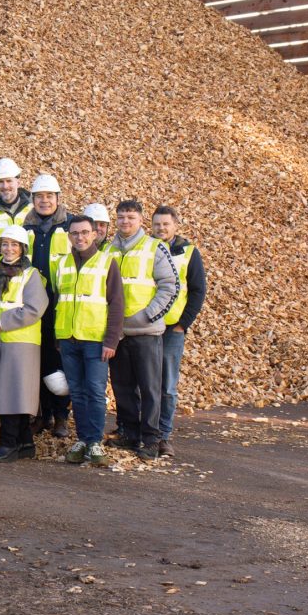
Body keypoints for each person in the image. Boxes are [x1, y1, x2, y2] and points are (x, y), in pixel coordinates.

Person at [105, 200, 178, 459]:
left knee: (149, 389)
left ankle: (150, 438)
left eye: (131, 217)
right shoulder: (107, 249)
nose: (126, 222)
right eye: (122, 217)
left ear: (140, 220)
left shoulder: (154, 247)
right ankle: (130, 434)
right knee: (123, 388)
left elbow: (170, 286)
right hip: (118, 333)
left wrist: (148, 315)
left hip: (146, 333)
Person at [53, 214, 124, 467]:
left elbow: (116, 304)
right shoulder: (62, 264)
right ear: (69, 237)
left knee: (94, 391)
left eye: (84, 232)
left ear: (94, 234)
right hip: (68, 340)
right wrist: (59, 337)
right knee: (78, 392)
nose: (80, 237)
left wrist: (111, 341)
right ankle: (82, 439)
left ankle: (94, 442)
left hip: (95, 340)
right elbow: (58, 301)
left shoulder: (107, 262)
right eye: (75, 233)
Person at [0, 226, 49, 463]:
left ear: (22, 248)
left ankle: (8, 444)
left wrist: (1, 323)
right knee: (8, 392)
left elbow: (34, 309)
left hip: (21, 342)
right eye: (5, 244)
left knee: (14, 394)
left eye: (14, 245)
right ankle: (25, 444)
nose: (8, 249)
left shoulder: (31, 275)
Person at [152, 205, 206, 454]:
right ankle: (143, 432)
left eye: (166, 224)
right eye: (157, 224)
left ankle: (163, 436)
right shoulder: (145, 249)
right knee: (144, 383)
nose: (161, 228)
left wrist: (183, 324)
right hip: (146, 326)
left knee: (167, 386)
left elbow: (197, 290)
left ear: (176, 225)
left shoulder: (188, 252)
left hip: (171, 328)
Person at [23, 174, 72, 439]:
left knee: (59, 363)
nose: (44, 201)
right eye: (39, 197)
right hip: (32, 306)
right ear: (32, 200)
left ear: (57, 198)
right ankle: (42, 414)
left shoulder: (70, 226)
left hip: (60, 306)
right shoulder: (26, 227)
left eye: (49, 196)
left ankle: (62, 416)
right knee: (37, 363)